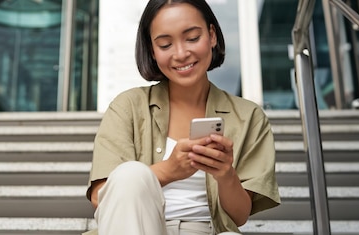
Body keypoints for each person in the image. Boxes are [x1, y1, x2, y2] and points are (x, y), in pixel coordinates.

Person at [85, 0, 280, 234]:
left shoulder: (249, 117)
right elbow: (100, 197)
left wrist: (226, 174)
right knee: (130, 173)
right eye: (165, 44)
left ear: (212, 35)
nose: (181, 53)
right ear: (152, 51)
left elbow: (239, 216)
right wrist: (170, 170)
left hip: (208, 230)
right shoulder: (128, 107)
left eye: (192, 38)